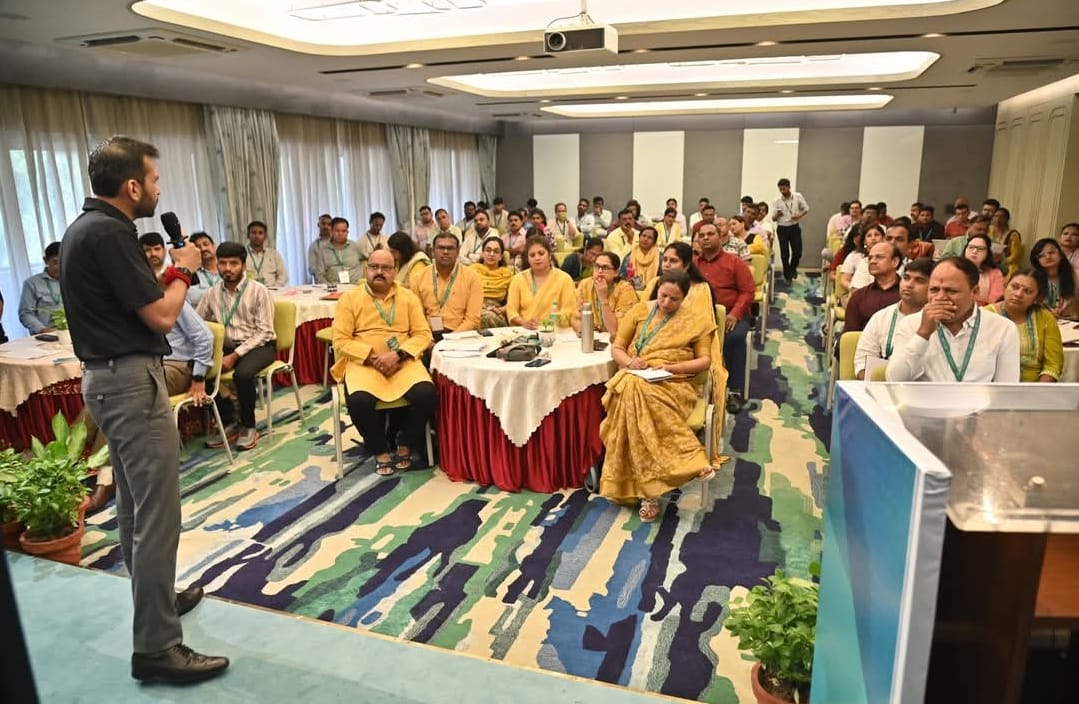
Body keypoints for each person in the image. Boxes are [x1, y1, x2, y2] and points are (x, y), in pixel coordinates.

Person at [59, 135, 227, 683]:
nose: (158, 189)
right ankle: (156, 647)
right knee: (159, 516)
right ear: (132, 186)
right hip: (130, 382)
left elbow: (133, 302)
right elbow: (159, 318)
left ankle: (156, 601)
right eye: (154, 180)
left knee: (135, 504)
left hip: (109, 381)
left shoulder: (90, 229)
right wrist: (181, 269)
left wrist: (169, 276)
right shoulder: (110, 233)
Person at [598, 270, 718, 523]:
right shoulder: (640, 311)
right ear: (658, 290)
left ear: (684, 298)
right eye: (663, 296)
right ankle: (682, 467)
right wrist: (630, 362)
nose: (666, 303)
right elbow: (617, 347)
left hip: (674, 382)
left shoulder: (697, 319)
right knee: (633, 389)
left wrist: (673, 368)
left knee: (631, 392)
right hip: (637, 375)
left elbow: (705, 360)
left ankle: (652, 491)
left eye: (674, 299)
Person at [331, 248, 436, 476]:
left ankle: (406, 442)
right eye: (374, 267)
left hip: (402, 360)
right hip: (364, 362)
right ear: (365, 269)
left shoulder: (408, 297)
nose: (380, 272)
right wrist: (371, 357)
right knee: (359, 401)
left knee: (426, 394)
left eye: (386, 268)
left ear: (395, 271)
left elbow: (423, 334)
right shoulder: (350, 299)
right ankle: (379, 450)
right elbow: (340, 340)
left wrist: (398, 354)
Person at [196, 241, 277, 451]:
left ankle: (249, 426)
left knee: (242, 374)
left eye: (233, 263)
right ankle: (230, 422)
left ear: (243, 265)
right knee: (199, 369)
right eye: (222, 263)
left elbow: (266, 331)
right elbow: (197, 322)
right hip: (228, 346)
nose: (227, 269)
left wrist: (235, 356)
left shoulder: (259, 291)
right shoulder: (213, 293)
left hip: (261, 346)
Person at [886, 257, 1020, 382]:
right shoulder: (911, 324)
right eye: (934, 290)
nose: (940, 298)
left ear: (975, 292)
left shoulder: (1003, 328)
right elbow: (894, 379)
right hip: (925, 405)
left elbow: (1006, 388)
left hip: (977, 406)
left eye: (951, 291)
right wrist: (923, 334)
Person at [694, 222, 755, 412]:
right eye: (701, 235)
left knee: (734, 338)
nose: (705, 238)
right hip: (700, 315)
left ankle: (734, 391)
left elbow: (748, 291)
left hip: (731, 315)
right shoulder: (693, 264)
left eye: (710, 234)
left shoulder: (735, 262)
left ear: (720, 237)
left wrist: (735, 314)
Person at [854, 258, 932, 379]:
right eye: (906, 278)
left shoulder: (938, 322)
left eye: (919, 281)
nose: (909, 285)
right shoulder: (881, 317)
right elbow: (862, 362)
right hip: (883, 389)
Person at [987, 269, 1063, 382]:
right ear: (1005, 286)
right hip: (993, 386)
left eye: (1028, 291)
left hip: (1035, 388)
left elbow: (1053, 364)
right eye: (1015, 287)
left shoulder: (1045, 318)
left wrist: (1036, 392)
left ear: (1037, 298)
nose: (1018, 294)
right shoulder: (986, 315)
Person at [411, 232, 482, 336]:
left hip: (461, 335)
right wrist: (427, 338)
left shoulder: (472, 277)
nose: (445, 252)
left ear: (458, 251)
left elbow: (472, 319)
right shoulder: (418, 278)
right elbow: (417, 317)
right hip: (428, 334)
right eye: (440, 248)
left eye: (450, 248)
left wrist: (451, 339)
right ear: (433, 251)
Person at [506, 235, 576, 329]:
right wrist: (524, 322)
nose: (537, 258)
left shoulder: (565, 279)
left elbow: (569, 310)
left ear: (550, 256)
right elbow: (511, 311)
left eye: (541, 253)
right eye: (532, 255)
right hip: (525, 332)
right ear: (528, 259)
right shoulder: (518, 279)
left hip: (556, 332)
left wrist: (550, 323)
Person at [643, 241, 716, 323]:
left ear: (686, 266)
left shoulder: (700, 289)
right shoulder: (654, 282)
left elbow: (701, 323)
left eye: (673, 261)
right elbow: (641, 313)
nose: (666, 264)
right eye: (665, 260)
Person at [842, 242, 902, 336]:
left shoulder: (907, 295)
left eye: (879, 257)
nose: (873, 261)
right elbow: (850, 336)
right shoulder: (859, 297)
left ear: (895, 262)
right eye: (870, 258)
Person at [571, 252, 637, 336]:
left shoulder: (626, 290)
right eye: (597, 266)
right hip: (592, 338)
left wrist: (603, 299)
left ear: (616, 272)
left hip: (617, 341)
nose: (600, 271)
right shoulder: (585, 284)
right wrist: (583, 333)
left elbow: (615, 330)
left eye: (605, 267)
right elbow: (575, 318)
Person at [18, 241, 64, 334]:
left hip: (72, 335)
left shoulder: (72, 281)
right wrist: (43, 330)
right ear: (46, 260)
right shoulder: (32, 283)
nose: (59, 267)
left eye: (62, 262)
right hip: (45, 336)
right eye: (55, 262)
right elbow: (25, 313)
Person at [469, 235, 513, 329]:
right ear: (483, 253)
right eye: (488, 250)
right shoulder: (471, 270)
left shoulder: (508, 274)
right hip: (474, 309)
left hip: (496, 312)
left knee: (488, 317)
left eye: (496, 251)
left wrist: (500, 310)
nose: (491, 254)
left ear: (501, 256)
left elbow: (514, 302)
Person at [1029, 237, 1077, 319]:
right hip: (1042, 320)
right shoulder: (1032, 277)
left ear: (1061, 254)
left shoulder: (1075, 275)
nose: (1047, 257)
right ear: (1037, 260)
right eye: (1041, 255)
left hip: (1071, 323)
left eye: (1051, 252)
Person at [772, 177, 809, 283]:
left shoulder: (797, 196)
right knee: (785, 254)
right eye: (780, 189)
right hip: (782, 228)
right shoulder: (777, 201)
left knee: (797, 252)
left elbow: (806, 208)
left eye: (784, 189)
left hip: (794, 227)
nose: (782, 191)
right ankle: (787, 276)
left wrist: (799, 215)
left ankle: (792, 269)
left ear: (789, 187)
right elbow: (773, 219)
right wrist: (777, 215)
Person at [316, 216, 364, 284]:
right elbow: (320, 276)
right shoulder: (322, 251)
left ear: (347, 232)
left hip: (355, 287)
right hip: (333, 289)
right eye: (337, 231)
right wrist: (330, 288)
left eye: (343, 231)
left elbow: (369, 260)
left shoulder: (355, 246)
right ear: (331, 231)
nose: (340, 234)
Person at [964, 233, 1004, 306]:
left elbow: (994, 303)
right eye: (971, 247)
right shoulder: (953, 268)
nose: (975, 251)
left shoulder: (995, 273)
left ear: (987, 253)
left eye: (980, 249)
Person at [245, 220, 288, 287]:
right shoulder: (241, 254)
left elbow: (283, 276)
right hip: (250, 292)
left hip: (272, 291)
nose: (257, 236)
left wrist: (274, 288)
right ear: (248, 235)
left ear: (265, 236)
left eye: (260, 233)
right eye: (253, 233)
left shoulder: (274, 254)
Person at [186, 231, 221, 307]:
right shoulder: (191, 273)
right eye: (198, 247)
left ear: (214, 246)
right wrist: (221, 292)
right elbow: (191, 297)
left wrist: (204, 293)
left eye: (206, 244)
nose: (203, 248)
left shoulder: (226, 268)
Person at [620, 226, 660, 290]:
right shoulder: (629, 257)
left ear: (654, 242)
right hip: (631, 291)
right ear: (639, 237)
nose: (645, 239)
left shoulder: (660, 258)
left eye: (650, 238)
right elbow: (622, 277)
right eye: (643, 236)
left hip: (654, 292)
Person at [988, 207, 1023, 278]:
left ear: (1007, 220)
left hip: (1006, 263)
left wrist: (1002, 260)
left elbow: (1015, 255)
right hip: (989, 260)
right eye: (996, 216)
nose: (998, 219)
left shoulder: (1013, 235)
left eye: (1001, 217)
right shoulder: (989, 230)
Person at [307, 213, 333, 283]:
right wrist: (323, 271)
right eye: (323, 224)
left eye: (329, 224)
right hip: (321, 282)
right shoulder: (314, 246)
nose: (326, 227)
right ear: (318, 225)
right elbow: (311, 268)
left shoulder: (338, 243)